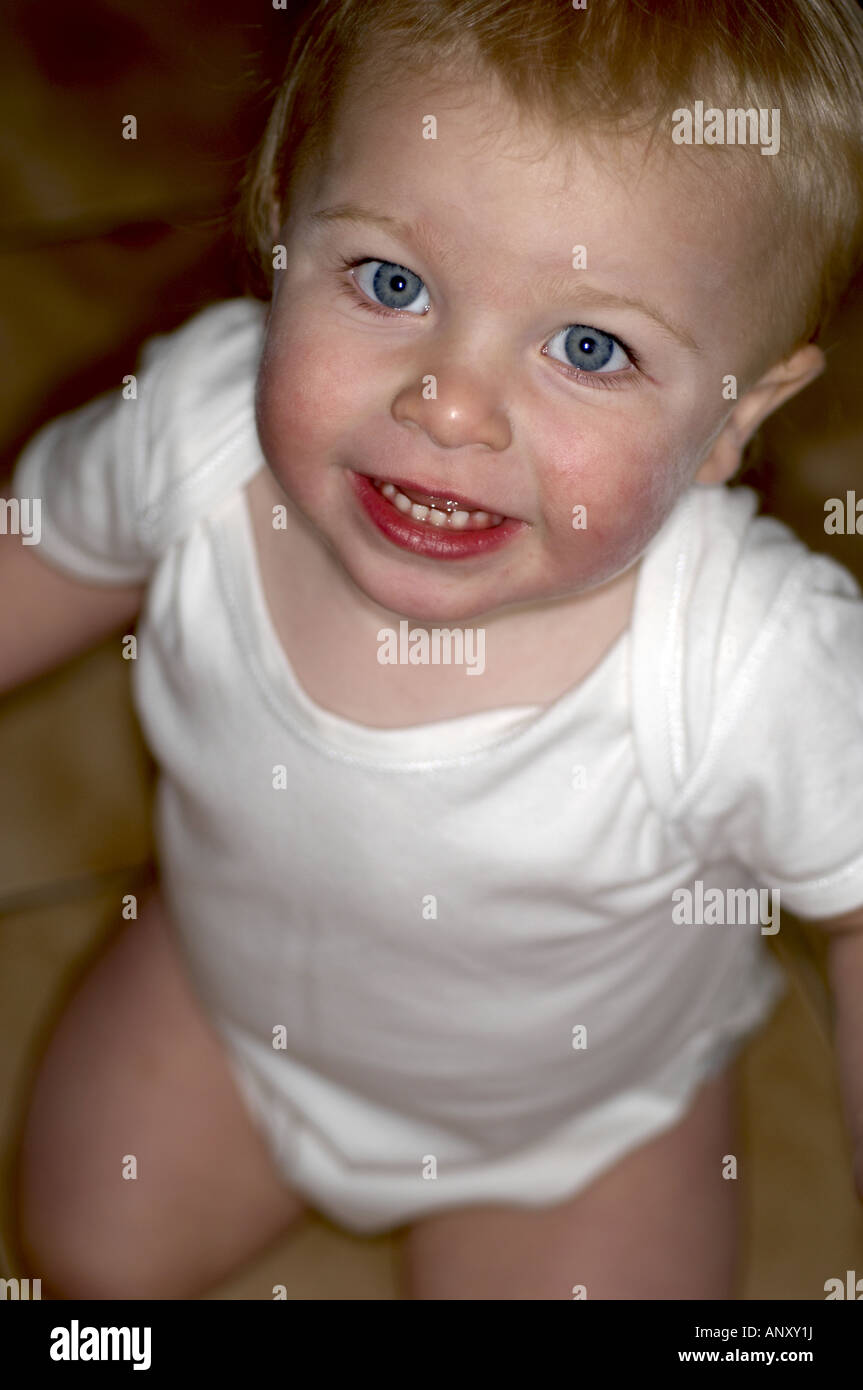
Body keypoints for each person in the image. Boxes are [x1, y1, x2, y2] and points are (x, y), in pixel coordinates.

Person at [4, 0, 863, 1300]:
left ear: (737, 414)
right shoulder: (196, 434)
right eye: (390, 282)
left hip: (580, 1121)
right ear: (283, 225)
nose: (449, 402)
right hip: (234, 1001)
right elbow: (43, 557)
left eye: (590, 347)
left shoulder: (752, 661)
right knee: (88, 1249)